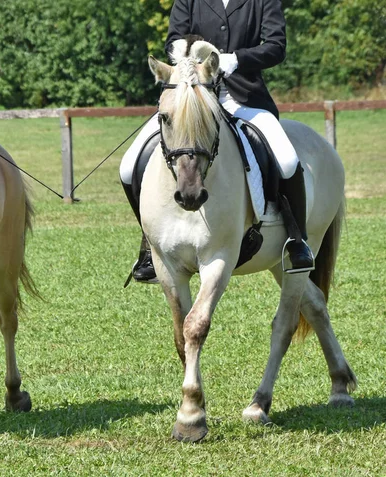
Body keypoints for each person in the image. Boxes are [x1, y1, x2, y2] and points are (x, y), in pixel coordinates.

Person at [120, 0, 314, 282]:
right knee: (128, 166)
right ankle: (151, 247)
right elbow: (174, 37)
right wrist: (186, 54)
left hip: (242, 96)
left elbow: (276, 46)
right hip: (192, 97)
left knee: (286, 159)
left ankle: (297, 241)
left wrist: (235, 59)